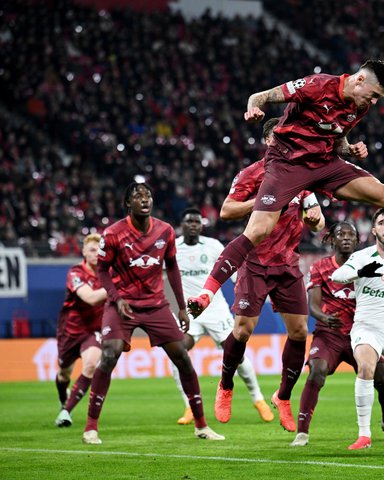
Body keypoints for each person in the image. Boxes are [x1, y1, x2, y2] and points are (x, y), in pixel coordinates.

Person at [187, 59, 384, 325]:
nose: (374, 102)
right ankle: (206, 293)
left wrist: (350, 149)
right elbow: (260, 97)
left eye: (378, 99)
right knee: (259, 230)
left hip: (325, 164)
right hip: (287, 164)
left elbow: (337, 137)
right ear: (359, 80)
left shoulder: (359, 105)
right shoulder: (317, 86)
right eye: (374, 95)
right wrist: (253, 110)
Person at [82, 182, 223, 444]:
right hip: (123, 305)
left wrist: (181, 307)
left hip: (156, 305)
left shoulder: (165, 231)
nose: (144, 199)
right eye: (137, 196)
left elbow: (172, 269)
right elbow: (102, 270)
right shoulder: (113, 234)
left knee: (182, 357)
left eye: (148, 195)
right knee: (109, 354)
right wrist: (116, 298)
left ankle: (202, 425)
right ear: (128, 204)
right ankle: (91, 428)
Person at [213, 118, 326, 432]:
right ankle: (225, 385)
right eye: (280, 138)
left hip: (288, 264)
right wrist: (260, 202)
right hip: (255, 261)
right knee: (242, 330)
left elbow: (317, 222)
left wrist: (316, 218)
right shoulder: (252, 174)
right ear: (267, 141)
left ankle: (284, 397)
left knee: (301, 332)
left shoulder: (303, 175)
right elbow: (225, 210)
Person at [291, 221, 384, 447]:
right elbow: (312, 305)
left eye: (350, 235)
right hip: (329, 334)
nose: (345, 238)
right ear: (332, 239)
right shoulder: (321, 267)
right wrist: (323, 318)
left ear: (357, 240)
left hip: (363, 333)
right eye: (340, 234)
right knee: (316, 370)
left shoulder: (369, 260)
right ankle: (302, 433)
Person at [171, 208, 273, 425]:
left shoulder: (213, 246)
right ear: (182, 225)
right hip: (190, 314)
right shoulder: (173, 248)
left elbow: (236, 272)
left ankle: (258, 399)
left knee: (236, 353)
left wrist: (251, 289)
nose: (193, 225)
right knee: (176, 351)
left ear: (201, 225)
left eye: (196, 222)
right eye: (188, 221)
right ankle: (189, 404)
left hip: (216, 310)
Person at [330, 210, 384, 450]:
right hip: (367, 328)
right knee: (366, 366)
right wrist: (359, 272)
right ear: (374, 230)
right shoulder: (363, 256)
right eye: (381, 223)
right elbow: (337, 275)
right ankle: (364, 435)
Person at [54, 233, 107, 427]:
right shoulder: (75, 273)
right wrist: (118, 285)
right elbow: (91, 298)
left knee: (91, 365)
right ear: (84, 251)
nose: (96, 254)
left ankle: (66, 411)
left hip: (93, 331)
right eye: (92, 250)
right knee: (63, 374)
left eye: (99, 250)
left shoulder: (107, 273)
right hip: (70, 331)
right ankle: (62, 399)